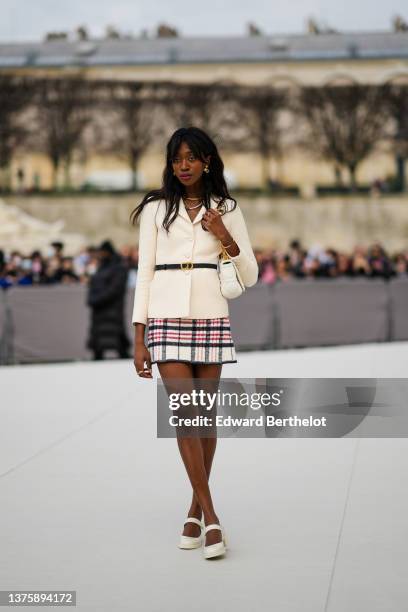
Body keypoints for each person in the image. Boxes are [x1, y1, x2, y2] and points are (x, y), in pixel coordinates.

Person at [130, 126, 259, 560]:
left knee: (204, 418)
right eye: (176, 158)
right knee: (185, 416)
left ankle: (192, 511)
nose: (183, 166)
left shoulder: (227, 207)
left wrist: (223, 232)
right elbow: (144, 273)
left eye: (191, 157)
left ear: (207, 161)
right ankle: (213, 517)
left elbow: (251, 273)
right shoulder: (154, 209)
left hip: (210, 312)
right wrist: (139, 336)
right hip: (164, 315)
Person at [86, 240, 130, 360]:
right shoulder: (101, 266)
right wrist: (92, 299)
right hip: (99, 312)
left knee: (117, 340)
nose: (100, 254)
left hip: (112, 310)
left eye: (102, 252)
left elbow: (115, 289)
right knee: (98, 345)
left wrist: (97, 300)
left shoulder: (119, 267)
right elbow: (93, 284)